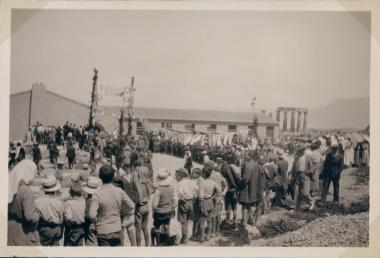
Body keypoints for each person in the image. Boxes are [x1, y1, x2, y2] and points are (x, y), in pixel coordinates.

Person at [88, 165, 135, 246]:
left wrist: (98, 222)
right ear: (113, 177)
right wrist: (124, 213)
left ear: (100, 177)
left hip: (103, 230)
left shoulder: (97, 194)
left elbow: (92, 215)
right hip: (117, 228)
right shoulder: (119, 191)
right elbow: (131, 206)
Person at [8, 160, 40, 246]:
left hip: (10, 226)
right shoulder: (26, 190)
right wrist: (37, 215)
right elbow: (30, 217)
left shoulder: (10, 185)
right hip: (22, 230)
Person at [34, 175, 65, 246]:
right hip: (57, 228)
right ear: (55, 189)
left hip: (44, 229)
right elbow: (61, 219)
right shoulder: (59, 201)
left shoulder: (37, 201)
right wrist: (61, 230)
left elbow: (36, 219)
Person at [238, 150, 266, 227]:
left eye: (245, 155)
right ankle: (251, 219)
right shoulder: (257, 164)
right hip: (255, 188)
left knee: (244, 205)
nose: (243, 156)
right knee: (250, 205)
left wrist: (239, 186)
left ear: (250, 156)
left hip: (247, 189)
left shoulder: (247, 165)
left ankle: (244, 221)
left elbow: (245, 179)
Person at [151, 169, 177, 246]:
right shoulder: (172, 188)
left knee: (157, 227)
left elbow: (155, 204)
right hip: (168, 211)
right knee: (166, 225)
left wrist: (153, 209)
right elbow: (174, 201)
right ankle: (166, 242)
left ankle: (158, 244)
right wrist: (172, 207)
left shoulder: (158, 190)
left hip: (159, 211)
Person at [198, 165, 221, 243]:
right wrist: (213, 197)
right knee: (209, 220)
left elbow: (201, 196)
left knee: (202, 220)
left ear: (204, 174)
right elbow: (219, 191)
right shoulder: (212, 182)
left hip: (204, 201)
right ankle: (207, 235)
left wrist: (200, 203)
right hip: (210, 201)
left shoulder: (202, 183)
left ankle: (201, 237)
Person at [290, 144, 315, 212]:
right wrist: (291, 175)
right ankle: (296, 209)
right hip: (297, 176)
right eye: (299, 150)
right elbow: (293, 167)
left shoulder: (307, 157)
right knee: (297, 193)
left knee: (305, 193)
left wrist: (309, 171)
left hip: (305, 176)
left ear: (304, 150)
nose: (300, 151)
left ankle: (311, 201)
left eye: (301, 150)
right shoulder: (296, 157)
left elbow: (312, 168)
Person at [175, 168, 197, 244]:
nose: (176, 178)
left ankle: (184, 238)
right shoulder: (191, 181)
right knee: (188, 220)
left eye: (176, 176)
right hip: (191, 202)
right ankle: (188, 235)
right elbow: (196, 189)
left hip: (183, 202)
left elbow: (180, 193)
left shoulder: (180, 183)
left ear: (180, 176)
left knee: (183, 221)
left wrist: (182, 199)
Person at [218, 158, 240, 228]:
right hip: (234, 190)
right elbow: (237, 177)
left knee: (228, 207)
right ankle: (235, 222)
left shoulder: (223, 169)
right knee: (235, 208)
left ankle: (227, 222)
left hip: (228, 191)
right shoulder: (231, 167)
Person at [207, 161, 227, 236]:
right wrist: (223, 193)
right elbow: (225, 186)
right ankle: (217, 231)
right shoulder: (220, 175)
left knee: (212, 215)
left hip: (212, 197)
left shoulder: (210, 175)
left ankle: (212, 231)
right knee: (218, 214)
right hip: (219, 197)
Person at [83, 177, 100, 246]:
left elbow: (87, 214)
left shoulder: (87, 200)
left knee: (90, 243)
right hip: (97, 223)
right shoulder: (97, 199)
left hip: (89, 224)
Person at [189, 167, 202, 240]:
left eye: (193, 173)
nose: (191, 174)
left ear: (198, 174)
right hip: (194, 201)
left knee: (196, 219)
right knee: (195, 219)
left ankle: (196, 233)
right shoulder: (193, 180)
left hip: (196, 201)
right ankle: (195, 234)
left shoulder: (199, 181)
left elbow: (198, 191)